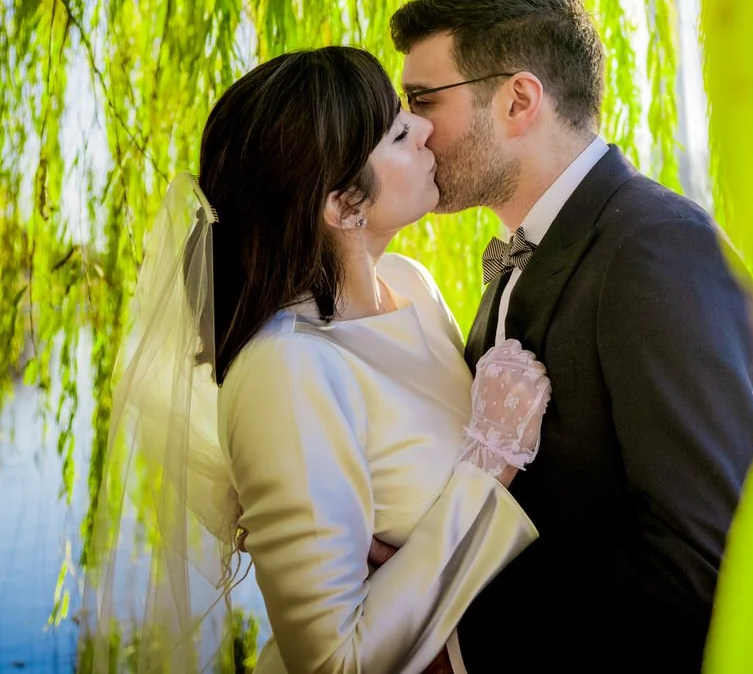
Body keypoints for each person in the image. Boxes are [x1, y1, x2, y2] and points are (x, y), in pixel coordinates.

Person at [91, 47, 552, 674]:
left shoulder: (410, 284)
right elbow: (336, 661)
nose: (423, 128)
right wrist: (488, 463)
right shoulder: (285, 370)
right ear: (342, 206)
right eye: (396, 130)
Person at [392, 0, 753, 671]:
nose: (407, 127)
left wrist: (457, 628)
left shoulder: (656, 248)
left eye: (422, 100)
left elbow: (712, 563)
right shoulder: (519, 263)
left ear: (518, 99)